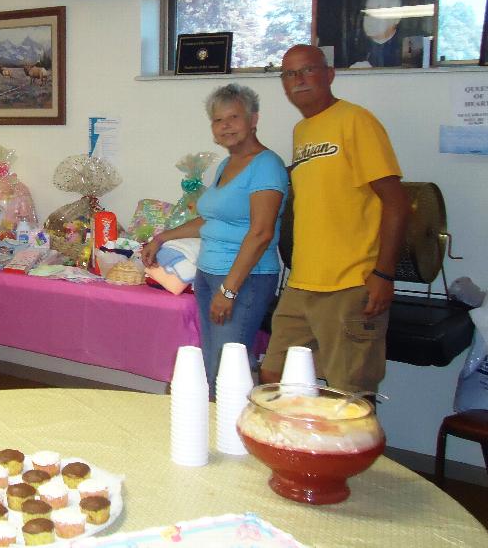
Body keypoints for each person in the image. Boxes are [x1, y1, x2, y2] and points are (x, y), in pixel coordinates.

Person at [259, 44, 410, 394]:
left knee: (350, 393)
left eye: (307, 70)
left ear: (329, 74)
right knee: (273, 376)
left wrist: (383, 275)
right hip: (302, 283)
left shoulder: (357, 121)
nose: (298, 80)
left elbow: (397, 204)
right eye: (289, 74)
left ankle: (357, 449)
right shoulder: (303, 131)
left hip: (352, 284)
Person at [142, 84, 288, 392]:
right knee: (213, 363)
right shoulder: (227, 164)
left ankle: (232, 436)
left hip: (244, 278)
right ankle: (211, 432)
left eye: (234, 117)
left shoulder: (266, 165)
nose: (225, 126)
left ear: (253, 119)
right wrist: (161, 238)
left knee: (229, 367)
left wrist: (229, 290)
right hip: (210, 274)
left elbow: (261, 233)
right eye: (218, 120)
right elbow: (210, 218)